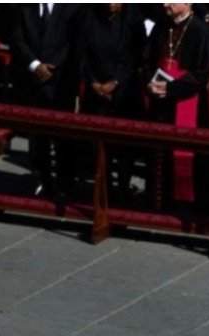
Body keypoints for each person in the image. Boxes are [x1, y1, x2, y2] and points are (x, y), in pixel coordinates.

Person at [10, 3, 84, 200]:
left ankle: (65, 183)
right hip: (33, 80)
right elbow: (17, 39)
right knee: (36, 135)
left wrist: (52, 68)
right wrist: (34, 66)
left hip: (61, 82)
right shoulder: (25, 7)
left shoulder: (73, 8)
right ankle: (40, 180)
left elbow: (73, 42)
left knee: (63, 135)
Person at [144, 3, 209, 207]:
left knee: (189, 154)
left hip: (187, 101)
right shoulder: (161, 26)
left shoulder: (200, 30)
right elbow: (147, 61)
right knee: (159, 154)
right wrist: (149, 83)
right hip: (160, 103)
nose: (165, 4)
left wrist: (172, 88)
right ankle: (158, 203)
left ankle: (187, 206)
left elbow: (202, 73)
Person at [78, 4, 146, 203]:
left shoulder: (133, 18)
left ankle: (124, 188)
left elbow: (137, 56)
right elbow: (81, 53)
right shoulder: (89, 16)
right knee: (98, 145)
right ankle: (103, 189)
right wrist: (94, 83)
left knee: (124, 146)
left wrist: (115, 82)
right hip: (96, 91)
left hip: (125, 92)